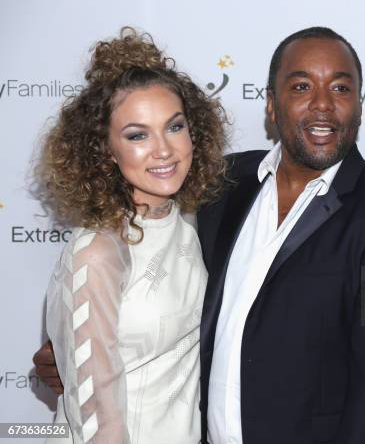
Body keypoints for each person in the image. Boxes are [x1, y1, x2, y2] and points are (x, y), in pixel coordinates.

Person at [36, 26, 365, 443]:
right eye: (301, 86)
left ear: (358, 105)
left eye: (340, 88)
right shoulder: (221, 185)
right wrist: (72, 351)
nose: (323, 104)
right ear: (271, 105)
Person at [35, 28, 226, 443]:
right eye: (137, 135)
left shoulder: (194, 223)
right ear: (105, 150)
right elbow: (97, 413)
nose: (163, 150)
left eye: (174, 127)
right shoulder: (98, 252)